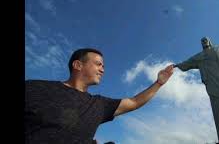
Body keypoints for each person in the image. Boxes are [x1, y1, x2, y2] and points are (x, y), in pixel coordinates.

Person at [25, 48, 174, 144]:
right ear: (78, 65)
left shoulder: (100, 105)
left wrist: (158, 83)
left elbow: (134, 102)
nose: (102, 70)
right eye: (98, 64)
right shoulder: (35, 88)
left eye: (103, 66)